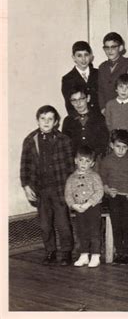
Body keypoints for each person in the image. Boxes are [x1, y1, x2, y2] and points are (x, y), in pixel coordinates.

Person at [20, 105, 75, 266]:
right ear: (37, 121)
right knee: (45, 224)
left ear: (56, 122)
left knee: (63, 223)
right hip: (40, 190)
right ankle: (50, 251)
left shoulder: (64, 140)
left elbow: (70, 166)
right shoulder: (30, 140)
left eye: (50, 119)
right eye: (43, 118)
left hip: (59, 189)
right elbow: (25, 165)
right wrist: (26, 186)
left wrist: (70, 188)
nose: (46, 122)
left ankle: (66, 252)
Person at [99, 130, 128, 265]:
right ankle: (119, 252)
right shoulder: (106, 160)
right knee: (116, 225)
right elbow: (102, 179)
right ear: (111, 145)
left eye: (124, 147)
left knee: (127, 224)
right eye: (118, 146)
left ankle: (127, 253)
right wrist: (107, 190)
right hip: (114, 197)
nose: (121, 150)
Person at [65, 145, 104, 268]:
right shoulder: (71, 178)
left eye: (87, 161)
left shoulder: (95, 176)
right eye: (81, 160)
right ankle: (84, 255)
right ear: (75, 160)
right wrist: (73, 205)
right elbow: (68, 194)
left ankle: (95, 255)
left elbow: (99, 192)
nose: (83, 163)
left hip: (92, 207)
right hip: (79, 208)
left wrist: (88, 203)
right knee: (82, 232)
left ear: (92, 163)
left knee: (94, 231)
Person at [62, 87, 109, 159]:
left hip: (95, 160)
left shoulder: (99, 118)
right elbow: (65, 144)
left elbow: (104, 142)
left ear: (88, 98)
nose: (78, 103)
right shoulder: (68, 121)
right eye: (74, 100)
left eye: (81, 99)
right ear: (71, 102)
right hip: (76, 161)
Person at [104, 73, 128, 155]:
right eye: (121, 87)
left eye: (127, 88)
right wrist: (113, 133)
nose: (124, 90)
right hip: (115, 136)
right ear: (116, 88)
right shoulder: (110, 104)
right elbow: (108, 122)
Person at [61, 41, 100, 115]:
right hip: (80, 121)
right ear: (73, 57)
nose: (83, 59)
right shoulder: (67, 79)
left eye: (86, 55)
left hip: (98, 119)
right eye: (79, 56)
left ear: (91, 56)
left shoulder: (99, 74)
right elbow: (69, 105)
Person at [98, 32, 128, 112]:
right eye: (106, 48)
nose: (109, 51)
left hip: (125, 108)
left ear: (120, 48)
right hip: (108, 109)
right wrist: (103, 108)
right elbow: (100, 90)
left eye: (113, 47)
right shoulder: (102, 67)